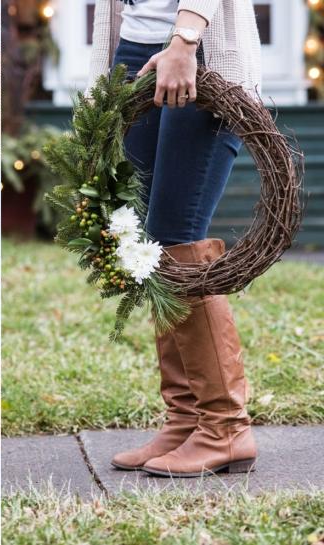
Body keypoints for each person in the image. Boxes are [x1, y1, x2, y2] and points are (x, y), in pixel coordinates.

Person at [88, 0, 262, 477]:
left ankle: (225, 426)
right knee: (154, 247)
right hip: (133, 50)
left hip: (198, 50)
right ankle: (187, 418)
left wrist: (185, 39)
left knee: (178, 240)